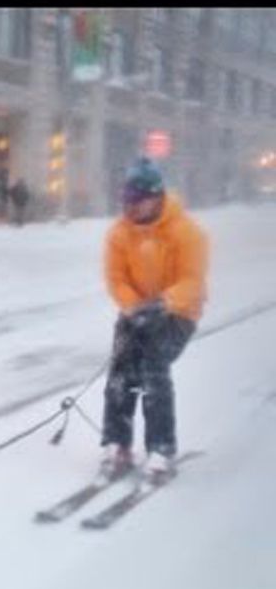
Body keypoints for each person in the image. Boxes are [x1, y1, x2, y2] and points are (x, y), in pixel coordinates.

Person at [99, 158, 209, 484]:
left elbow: (193, 281)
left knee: (152, 367)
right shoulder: (119, 233)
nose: (131, 208)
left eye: (137, 201)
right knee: (120, 371)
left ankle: (161, 448)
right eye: (127, 202)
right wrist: (135, 308)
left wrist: (163, 304)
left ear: (156, 197)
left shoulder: (187, 233)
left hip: (178, 312)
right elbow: (115, 279)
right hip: (136, 311)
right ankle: (118, 442)